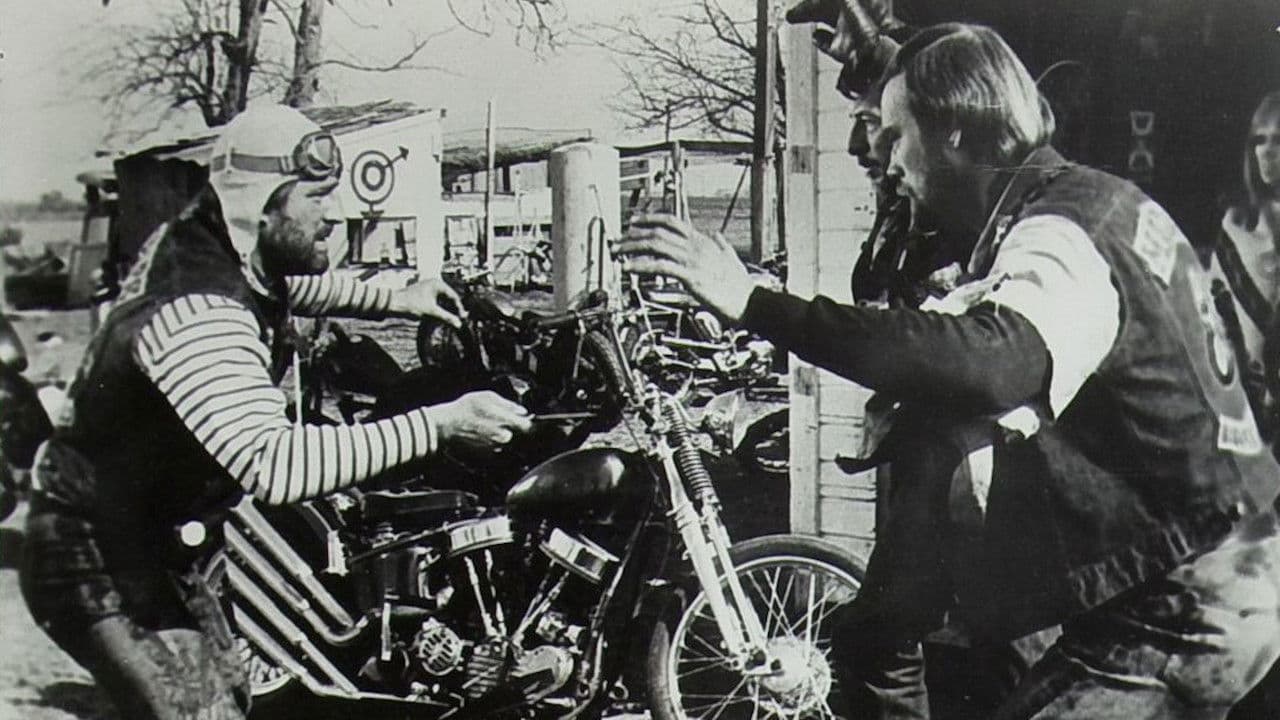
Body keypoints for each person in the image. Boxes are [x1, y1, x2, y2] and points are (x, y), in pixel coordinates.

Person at [618, 22, 1280, 720]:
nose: (885, 160)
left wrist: (753, 302)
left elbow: (992, 362)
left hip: (1189, 595)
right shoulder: (1091, 200)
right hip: (1204, 562)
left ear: (956, 132)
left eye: (895, 136)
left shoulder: (1060, 230)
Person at [18, 104, 533, 720]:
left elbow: (299, 285)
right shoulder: (200, 311)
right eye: (316, 197)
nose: (335, 214)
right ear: (259, 208)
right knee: (200, 713)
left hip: (161, 532)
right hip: (98, 550)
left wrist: (400, 298)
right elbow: (275, 465)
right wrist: (441, 424)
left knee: (228, 700)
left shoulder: (223, 247)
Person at [1209, 90, 1280, 439]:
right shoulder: (1235, 230)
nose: (1266, 151)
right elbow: (1215, 326)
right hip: (1246, 416)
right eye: (1259, 140)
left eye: (1278, 141)